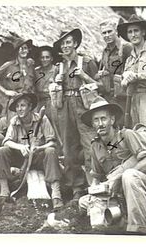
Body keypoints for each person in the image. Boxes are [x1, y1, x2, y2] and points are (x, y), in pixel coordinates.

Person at [78, 96, 146, 234]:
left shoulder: (127, 135)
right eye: (96, 120)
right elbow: (96, 178)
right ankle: (116, 224)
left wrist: (119, 177)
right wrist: (93, 193)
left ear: (112, 120)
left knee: (129, 176)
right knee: (83, 201)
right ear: (92, 124)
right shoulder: (95, 146)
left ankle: (139, 229)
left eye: (103, 119)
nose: (100, 124)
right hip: (121, 195)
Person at [0, 93, 63, 220]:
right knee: (2, 151)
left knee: (51, 151)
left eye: (23, 105)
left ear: (30, 107)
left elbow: (52, 141)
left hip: (38, 157)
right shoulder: (14, 121)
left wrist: (39, 148)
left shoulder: (42, 119)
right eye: (17, 106)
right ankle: (4, 191)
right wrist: (20, 147)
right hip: (21, 159)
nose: (20, 109)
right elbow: (6, 141)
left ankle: (56, 195)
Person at [53, 28, 99, 200]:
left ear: (75, 43)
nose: (65, 46)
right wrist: (56, 82)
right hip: (65, 108)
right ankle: (77, 188)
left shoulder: (86, 62)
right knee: (69, 148)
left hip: (83, 106)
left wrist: (85, 76)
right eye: (63, 43)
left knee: (90, 145)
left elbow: (99, 85)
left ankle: (95, 184)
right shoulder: (59, 67)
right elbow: (54, 90)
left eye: (68, 42)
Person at [117, 14, 146, 134]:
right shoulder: (129, 59)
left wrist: (136, 76)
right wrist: (124, 80)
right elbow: (125, 83)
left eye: (136, 30)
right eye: (130, 32)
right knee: (138, 135)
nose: (133, 35)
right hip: (133, 99)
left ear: (143, 32)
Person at [0, 39, 36, 126]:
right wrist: (5, 91)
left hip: (28, 101)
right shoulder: (9, 65)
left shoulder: (31, 66)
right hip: (15, 102)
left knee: (30, 127)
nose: (23, 51)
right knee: (14, 127)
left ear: (28, 50)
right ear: (17, 51)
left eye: (25, 48)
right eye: (20, 49)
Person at [95, 19, 132, 124]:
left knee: (126, 127)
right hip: (109, 97)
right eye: (104, 33)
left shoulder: (126, 48)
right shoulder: (105, 51)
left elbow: (133, 71)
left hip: (124, 97)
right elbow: (100, 72)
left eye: (109, 31)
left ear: (116, 31)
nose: (107, 35)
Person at [35, 46, 60, 134]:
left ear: (51, 59)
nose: (44, 59)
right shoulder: (36, 71)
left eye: (47, 57)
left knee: (55, 127)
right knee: (39, 126)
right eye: (42, 57)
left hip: (52, 102)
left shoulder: (57, 69)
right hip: (40, 103)